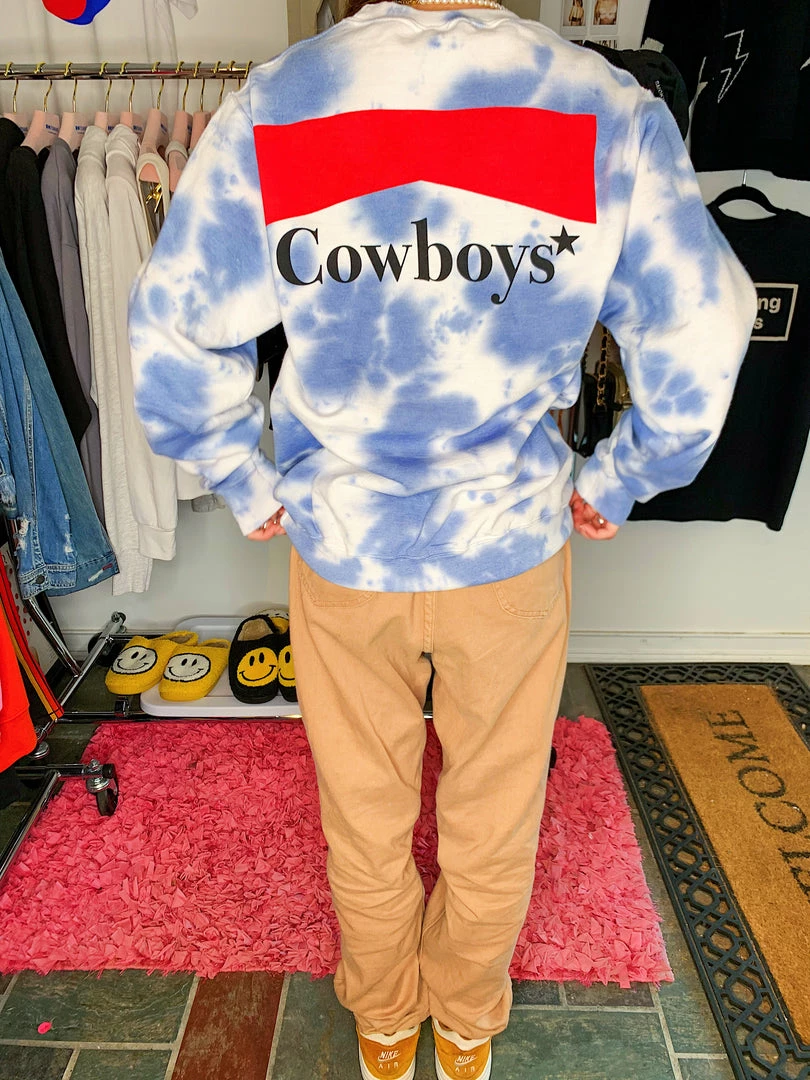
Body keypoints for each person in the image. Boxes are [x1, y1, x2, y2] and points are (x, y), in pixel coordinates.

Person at [128, 0, 756, 1076]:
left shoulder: (284, 101)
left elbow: (176, 321)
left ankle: (384, 1017)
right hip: (507, 548)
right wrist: (626, 473)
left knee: (362, 806)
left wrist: (239, 471)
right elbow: (706, 316)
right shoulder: (602, 106)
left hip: (345, 545)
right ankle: (465, 1019)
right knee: (494, 808)